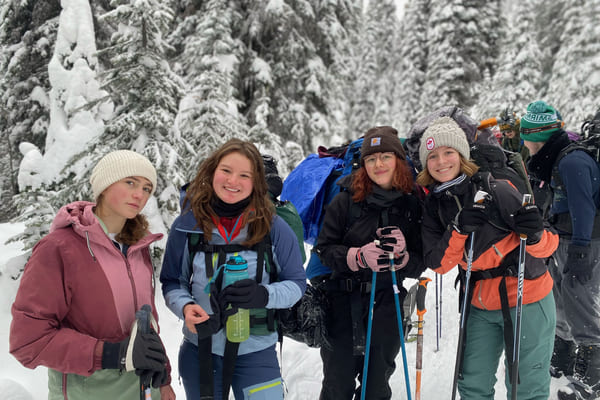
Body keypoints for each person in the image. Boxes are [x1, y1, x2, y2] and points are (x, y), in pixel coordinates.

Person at [9, 150, 175, 399]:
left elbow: (146, 323)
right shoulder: (59, 247)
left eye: (147, 188)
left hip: (141, 389)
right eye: (130, 182)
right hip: (87, 392)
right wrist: (114, 354)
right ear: (105, 185)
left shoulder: (137, 248)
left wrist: (163, 377)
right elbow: (28, 342)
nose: (140, 194)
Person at [417, 116, 558, 400]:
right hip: (479, 302)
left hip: (526, 297)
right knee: (472, 384)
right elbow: (439, 264)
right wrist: (458, 229)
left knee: (525, 388)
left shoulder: (495, 188)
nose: (441, 161)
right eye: (432, 156)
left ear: (462, 155)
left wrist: (535, 236)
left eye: (448, 152)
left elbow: (548, 244)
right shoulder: (433, 206)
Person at [160, 138, 306, 399]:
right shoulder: (187, 224)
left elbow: (296, 284)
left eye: (244, 175)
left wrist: (264, 295)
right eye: (226, 171)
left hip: (257, 351)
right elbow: (172, 281)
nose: (233, 181)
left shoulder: (274, 227)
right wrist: (184, 306)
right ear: (212, 171)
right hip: (201, 350)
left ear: (256, 182)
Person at [313, 126, 425, 399]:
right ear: (363, 165)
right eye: (371, 159)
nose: (378, 164)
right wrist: (358, 256)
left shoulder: (410, 206)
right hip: (341, 301)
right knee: (336, 386)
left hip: (388, 303)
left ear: (398, 160)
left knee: (376, 386)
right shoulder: (344, 201)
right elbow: (324, 250)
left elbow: (420, 262)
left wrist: (402, 257)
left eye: (385, 156)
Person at [521, 100, 600, 398]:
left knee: (581, 302)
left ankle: (591, 381)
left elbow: (583, 205)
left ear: (537, 136)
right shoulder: (556, 159)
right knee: (563, 299)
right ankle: (563, 359)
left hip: (586, 241)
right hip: (567, 239)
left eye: (526, 134)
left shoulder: (571, 161)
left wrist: (580, 248)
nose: (524, 141)